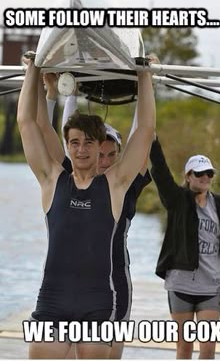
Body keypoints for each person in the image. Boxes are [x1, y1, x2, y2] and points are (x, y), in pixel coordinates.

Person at [17, 55, 155, 359]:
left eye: (89, 143)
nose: (82, 149)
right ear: (67, 145)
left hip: (98, 304)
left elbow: (144, 131)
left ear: (98, 146)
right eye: (75, 142)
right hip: (52, 301)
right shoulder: (52, 180)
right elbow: (28, 124)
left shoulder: (116, 185)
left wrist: (145, 76)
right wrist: (33, 70)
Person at [150, 136, 220, 359]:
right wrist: (152, 141)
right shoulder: (177, 200)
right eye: (199, 173)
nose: (205, 177)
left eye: (209, 173)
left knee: (208, 350)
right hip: (181, 285)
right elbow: (160, 172)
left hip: (211, 286)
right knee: (184, 348)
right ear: (188, 177)